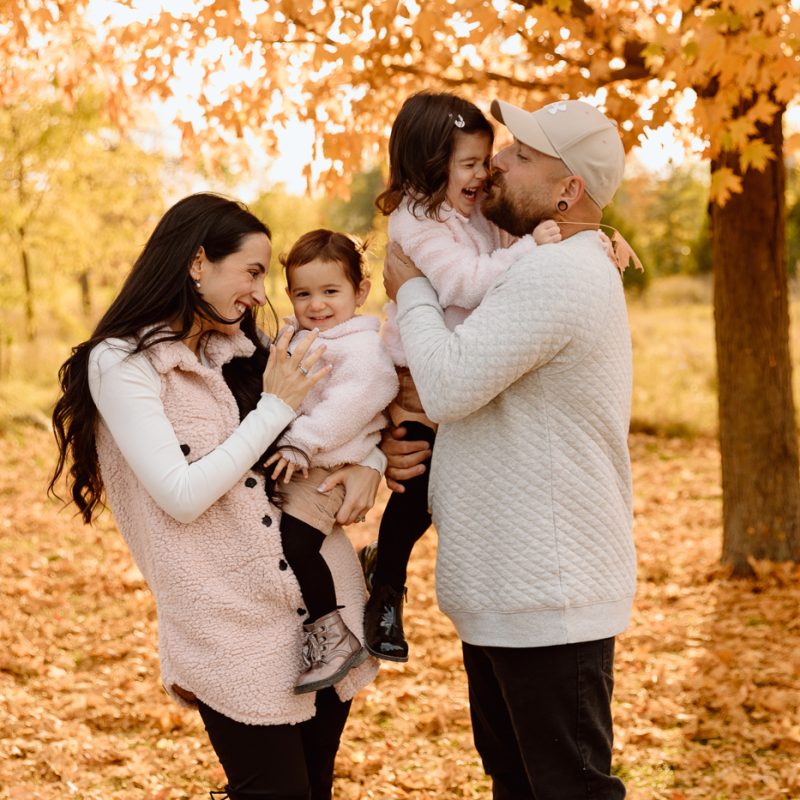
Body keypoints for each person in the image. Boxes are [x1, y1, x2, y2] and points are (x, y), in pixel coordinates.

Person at [50, 194, 383, 800]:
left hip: (325, 612)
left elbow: (350, 412)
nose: (263, 292)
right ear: (198, 262)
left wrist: (372, 465)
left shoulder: (248, 349)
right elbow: (180, 495)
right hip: (228, 631)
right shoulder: (123, 364)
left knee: (316, 789)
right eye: (253, 271)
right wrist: (274, 405)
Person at [382, 99, 636, 799]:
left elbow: (451, 383)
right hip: (512, 588)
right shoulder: (534, 263)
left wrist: (410, 294)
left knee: (566, 790)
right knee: (519, 787)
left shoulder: (556, 274)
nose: (496, 161)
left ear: (568, 191)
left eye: (520, 156)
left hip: (549, 594)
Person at [363, 91, 560, 663]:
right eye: (469, 164)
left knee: (450, 490)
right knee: (419, 486)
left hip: (459, 366)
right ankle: (386, 587)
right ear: (429, 168)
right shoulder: (416, 222)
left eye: (486, 159)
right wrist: (531, 249)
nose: (483, 173)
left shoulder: (470, 212)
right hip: (418, 377)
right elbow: (464, 285)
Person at [266, 229, 398, 694]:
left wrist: (299, 441)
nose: (317, 305)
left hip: (330, 465)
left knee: (295, 543)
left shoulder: (362, 349)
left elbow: (352, 403)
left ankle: (332, 634)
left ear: (360, 292)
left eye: (330, 292)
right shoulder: (300, 337)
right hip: (304, 458)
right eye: (304, 294)